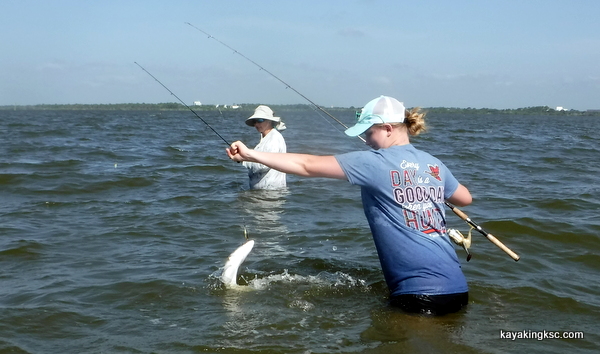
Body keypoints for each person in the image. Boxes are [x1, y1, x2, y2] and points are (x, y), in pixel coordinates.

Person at [226, 96, 472, 316]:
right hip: (459, 290)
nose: (365, 141)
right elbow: (464, 198)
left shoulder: (373, 162)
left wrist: (250, 155)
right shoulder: (433, 164)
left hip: (417, 296)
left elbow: (307, 165)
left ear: (387, 128)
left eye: (368, 133)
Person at [242, 105, 287, 190]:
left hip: (270, 193)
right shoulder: (266, 138)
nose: (256, 124)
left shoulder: (274, 138)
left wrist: (244, 159)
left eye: (260, 120)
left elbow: (264, 164)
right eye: (254, 121)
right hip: (262, 193)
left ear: (269, 121)